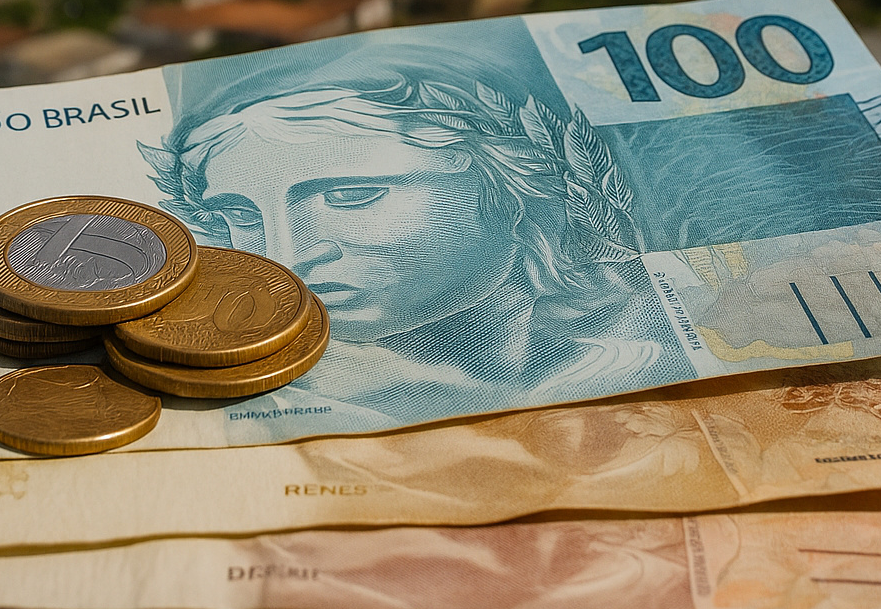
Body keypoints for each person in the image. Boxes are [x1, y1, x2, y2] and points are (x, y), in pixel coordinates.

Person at [139, 40, 682, 420]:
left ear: (515, 188)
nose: (286, 254)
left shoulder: (641, 361)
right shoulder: (288, 405)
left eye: (351, 197)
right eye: (239, 218)